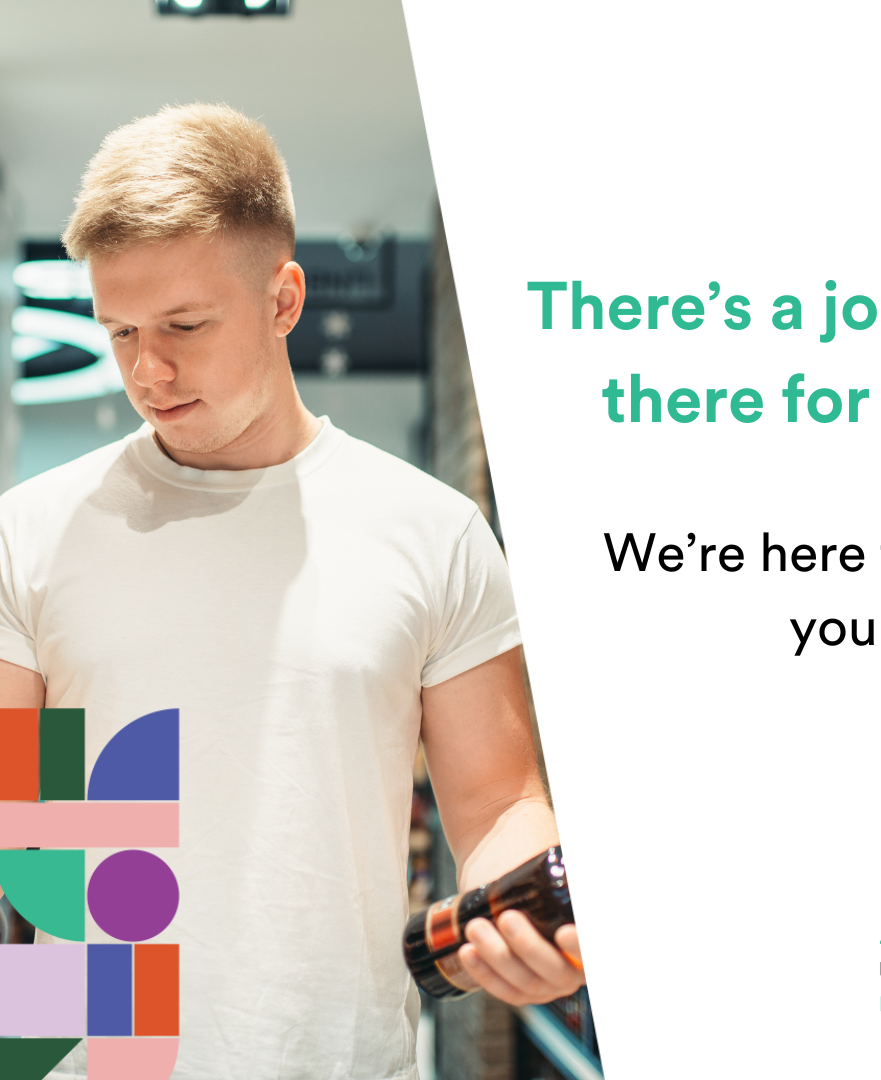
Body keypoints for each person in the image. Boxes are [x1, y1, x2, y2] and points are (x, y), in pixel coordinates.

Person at [0, 103, 584, 1079]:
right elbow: (18, 813)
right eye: (121, 331)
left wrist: (519, 930)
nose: (150, 369)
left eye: (186, 325)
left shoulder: (431, 531)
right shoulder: (30, 533)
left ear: (284, 298)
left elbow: (496, 804)